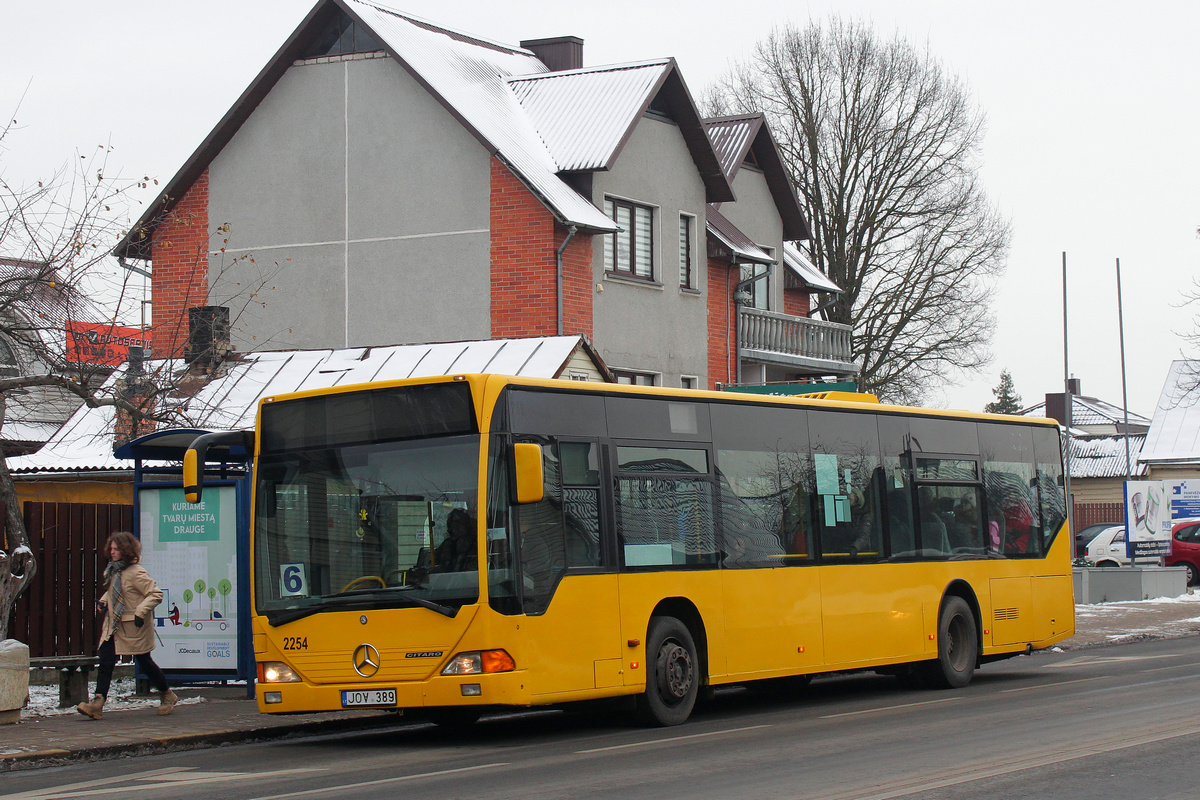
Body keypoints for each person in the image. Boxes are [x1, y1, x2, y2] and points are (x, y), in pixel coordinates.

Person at [76, 532, 178, 720]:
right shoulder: (115, 570)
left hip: (134, 626)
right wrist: (103, 601)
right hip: (114, 626)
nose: (112, 552)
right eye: (111, 549)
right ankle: (97, 703)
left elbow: (155, 594)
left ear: (126, 550)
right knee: (106, 661)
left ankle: (167, 694)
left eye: (116, 549)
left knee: (144, 662)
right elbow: (116, 593)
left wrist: (140, 611)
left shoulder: (136, 572)